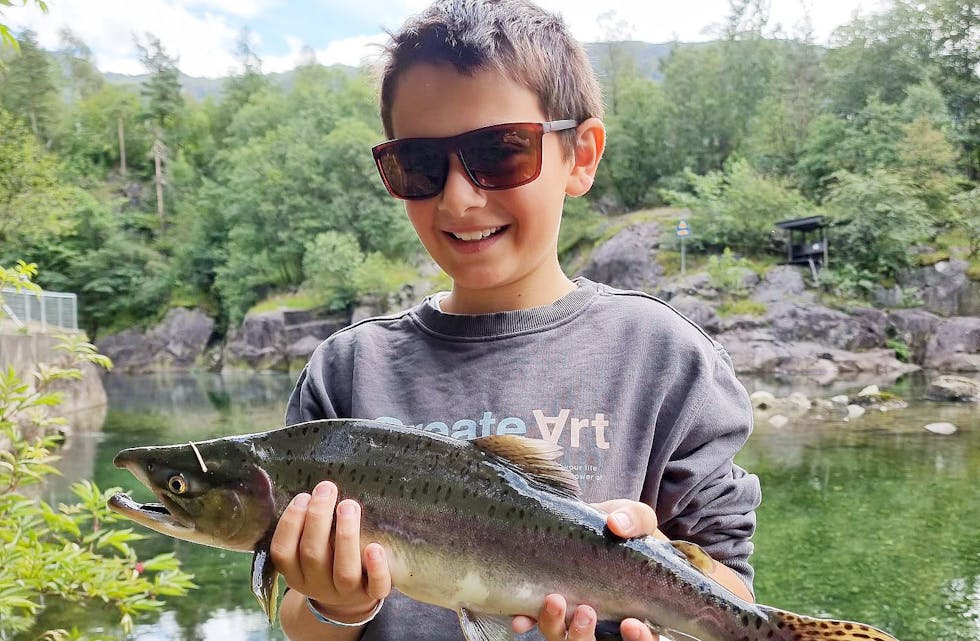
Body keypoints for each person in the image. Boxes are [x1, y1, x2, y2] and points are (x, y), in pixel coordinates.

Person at [270, 1, 762, 640]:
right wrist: (335, 603)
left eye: (500, 153)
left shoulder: (664, 358)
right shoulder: (347, 372)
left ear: (580, 156)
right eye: (419, 165)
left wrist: (660, 616)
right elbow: (299, 621)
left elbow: (730, 587)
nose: (459, 197)